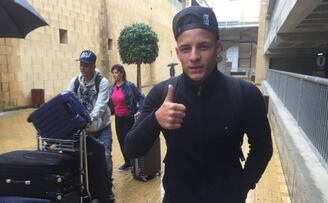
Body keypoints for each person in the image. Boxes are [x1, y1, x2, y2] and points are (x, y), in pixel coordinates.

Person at [125, 6, 273, 203]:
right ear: (178, 53)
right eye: (186, 48)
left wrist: (243, 185)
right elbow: (132, 149)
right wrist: (155, 119)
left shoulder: (245, 94)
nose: (194, 56)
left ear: (218, 47)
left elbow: (263, 147)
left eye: (203, 46)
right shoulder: (161, 94)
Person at [67, 50, 115, 201]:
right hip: (85, 130)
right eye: (81, 64)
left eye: (86, 65)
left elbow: (101, 105)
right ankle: (91, 187)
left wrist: (89, 118)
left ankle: (107, 188)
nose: (83, 68)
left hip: (102, 128)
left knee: (105, 156)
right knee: (86, 160)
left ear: (93, 66)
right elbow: (67, 97)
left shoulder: (102, 82)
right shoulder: (75, 81)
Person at [109, 64, 145, 172]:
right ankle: (127, 162)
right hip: (118, 119)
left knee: (130, 140)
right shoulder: (113, 88)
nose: (115, 75)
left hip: (129, 118)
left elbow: (141, 98)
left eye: (117, 72)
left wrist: (140, 110)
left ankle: (135, 162)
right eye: (113, 73)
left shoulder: (129, 86)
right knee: (121, 141)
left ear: (122, 73)